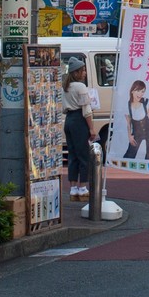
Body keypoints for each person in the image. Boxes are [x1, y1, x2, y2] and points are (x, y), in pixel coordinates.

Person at [63, 58, 97, 202]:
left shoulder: (65, 86)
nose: (84, 73)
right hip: (79, 121)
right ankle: (83, 188)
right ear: (76, 72)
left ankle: (73, 189)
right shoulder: (80, 87)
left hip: (69, 120)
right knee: (84, 155)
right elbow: (86, 110)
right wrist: (92, 128)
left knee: (73, 155)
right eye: (82, 70)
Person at [121, 80, 149, 161]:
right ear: (132, 91)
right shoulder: (127, 106)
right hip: (137, 132)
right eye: (138, 91)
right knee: (130, 154)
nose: (140, 94)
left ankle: (148, 171)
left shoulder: (146, 102)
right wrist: (130, 136)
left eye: (142, 91)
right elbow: (128, 123)